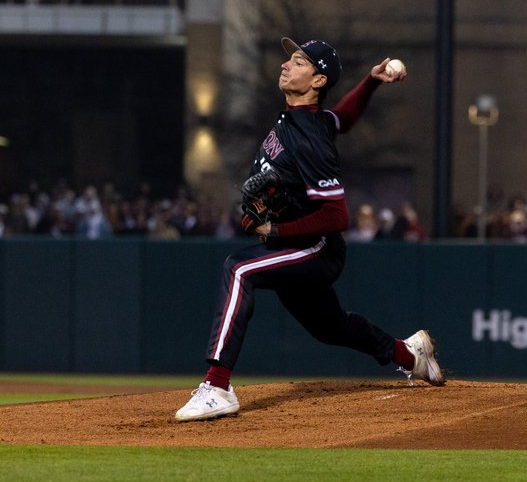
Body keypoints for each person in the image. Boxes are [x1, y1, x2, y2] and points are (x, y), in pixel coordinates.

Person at [175, 37, 444, 422]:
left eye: (299, 62)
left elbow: (337, 217)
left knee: (238, 269)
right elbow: (342, 119)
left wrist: (274, 231)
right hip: (301, 243)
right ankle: (409, 354)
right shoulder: (305, 120)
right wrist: (369, 82)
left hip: (316, 246)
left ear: (317, 81)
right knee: (330, 327)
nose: (286, 65)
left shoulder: (310, 139)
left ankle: (217, 386)